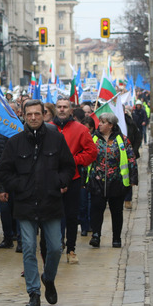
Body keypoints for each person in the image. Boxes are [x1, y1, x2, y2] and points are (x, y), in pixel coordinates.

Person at [0, 100, 76, 306]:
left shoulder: (56, 139)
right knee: (29, 249)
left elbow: (69, 166)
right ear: (23, 115)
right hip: (24, 204)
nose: (33, 117)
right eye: (29, 114)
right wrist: (18, 186)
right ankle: (33, 293)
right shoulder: (14, 142)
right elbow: (5, 171)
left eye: (37, 114)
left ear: (43, 114)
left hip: (50, 202)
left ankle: (48, 278)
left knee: (55, 248)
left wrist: (59, 182)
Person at [51, 99, 98, 264]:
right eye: (59, 107)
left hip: (73, 178)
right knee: (52, 216)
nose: (62, 110)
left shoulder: (80, 129)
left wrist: (74, 160)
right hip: (51, 179)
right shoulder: (48, 128)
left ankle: (71, 248)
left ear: (71, 110)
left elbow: (92, 152)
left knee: (71, 215)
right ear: (55, 109)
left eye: (65, 107)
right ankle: (55, 246)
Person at [88, 112, 135, 249]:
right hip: (97, 181)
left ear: (111, 125)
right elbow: (87, 158)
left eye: (103, 122)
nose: (100, 124)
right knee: (96, 210)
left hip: (116, 182)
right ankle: (96, 235)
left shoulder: (122, 140)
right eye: (100, 122)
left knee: (116, 211)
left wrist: (132, 178)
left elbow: (131, 158)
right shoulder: (93, 139)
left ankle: (116, 238)